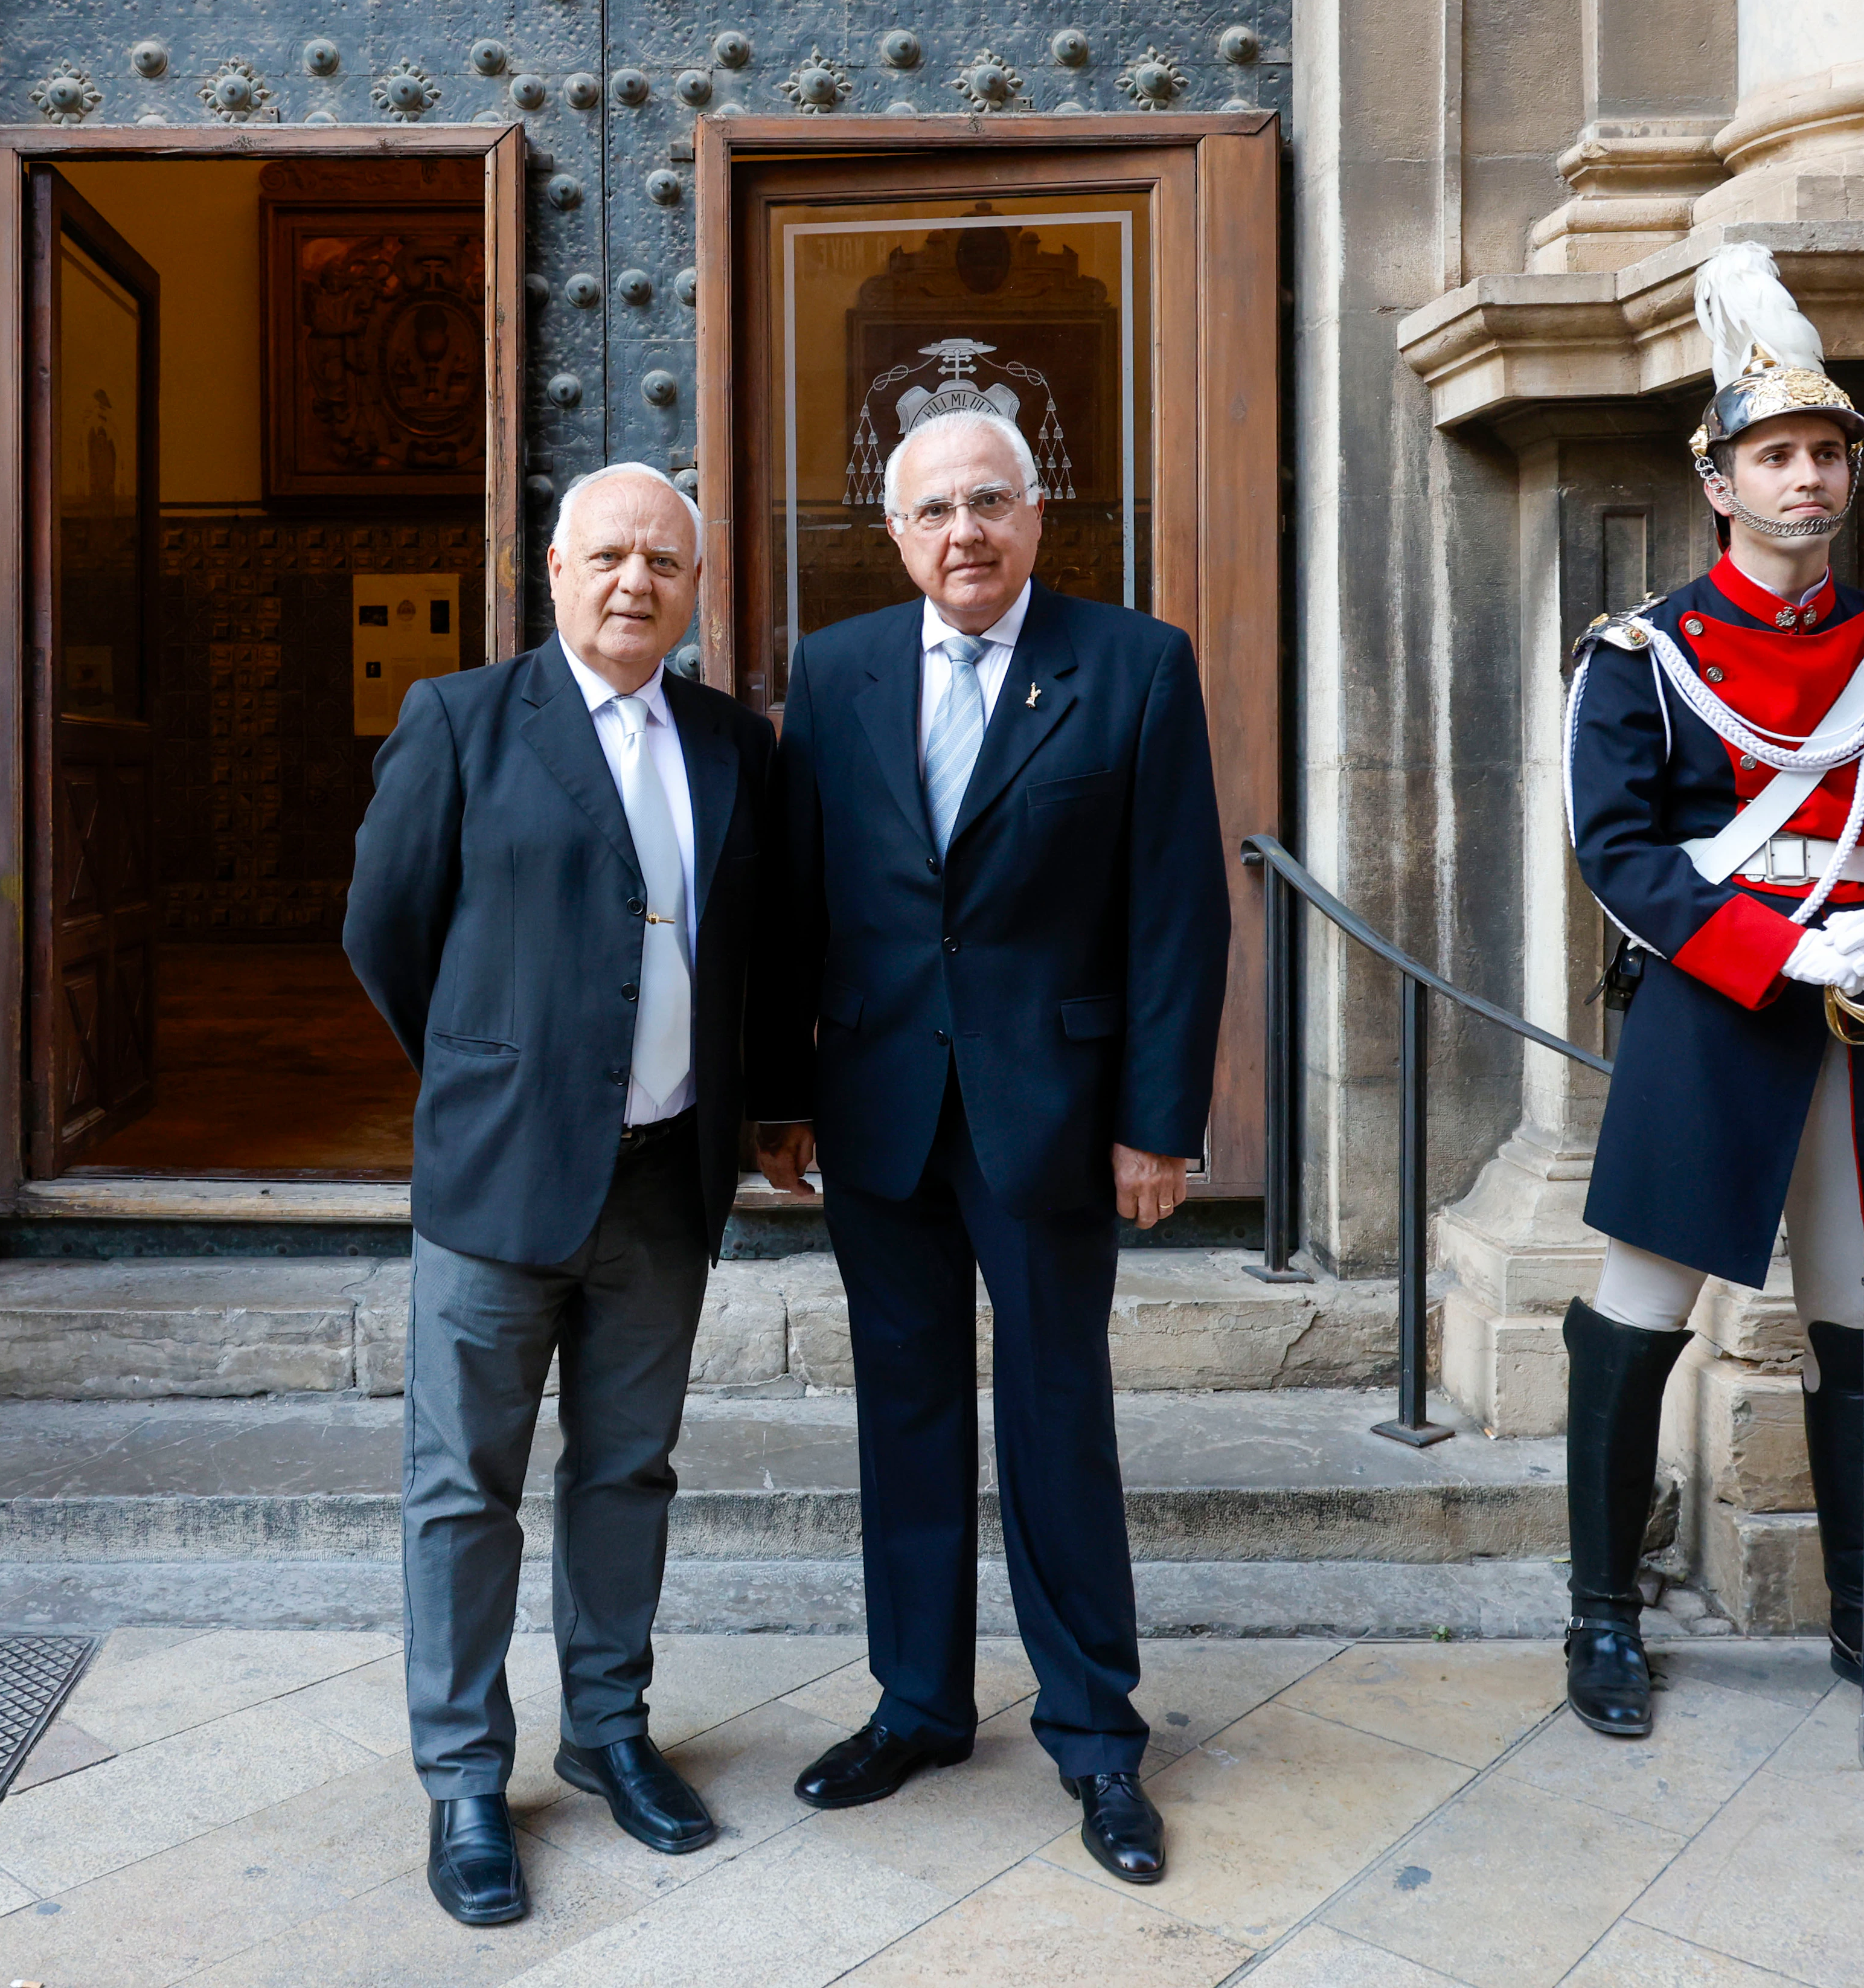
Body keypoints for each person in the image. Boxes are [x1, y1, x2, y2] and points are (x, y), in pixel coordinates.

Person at [754, 409, 1231, 1885]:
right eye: (931, 512)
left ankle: (1094, 1730)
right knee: (901, 1419)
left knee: (1052, 1417)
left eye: (989, 503)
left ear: (1038, 513)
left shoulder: (1133, 665)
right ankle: (917, 1704)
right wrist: (781, 1095)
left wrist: (1159, 1119)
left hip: (1053, 1115)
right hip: (879, 1110)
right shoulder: (832, 673)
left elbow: (1177, 911)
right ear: (894, 537)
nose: (963, 533)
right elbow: (792, 899)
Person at [1560, 242, 1864, 1747]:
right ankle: (1602, 1616)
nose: (1807, 478)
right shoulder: (1641, 655)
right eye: (1777, 454)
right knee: (1635, 1316)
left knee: (1859, 1323)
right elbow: (1616, 850)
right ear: (1720, 480)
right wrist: (1776, 946)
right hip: (1713, 1015)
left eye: (1825, 453)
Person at [344, 463, 787, 1927]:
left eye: (662, 559)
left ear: (695, 584)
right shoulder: (464, 721)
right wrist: (487, 1073)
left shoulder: (732, 744)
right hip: (496, 1181)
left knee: (626, 1472)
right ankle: (467, 1779)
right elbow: (384, 929)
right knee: (460, 1490)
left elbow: (758, 945)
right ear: (552, 570)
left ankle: (607, 1732)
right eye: (606, 555)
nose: (632, 581)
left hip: (665, 1183)